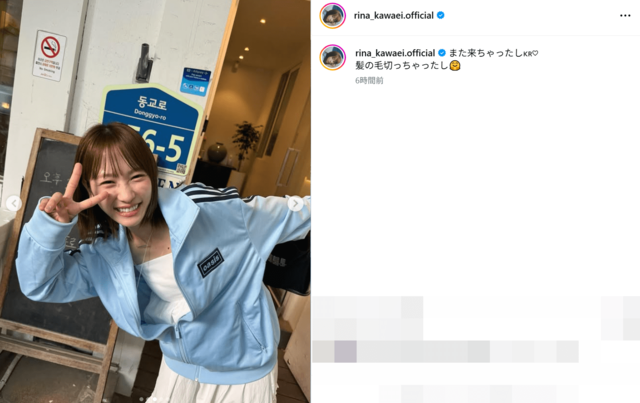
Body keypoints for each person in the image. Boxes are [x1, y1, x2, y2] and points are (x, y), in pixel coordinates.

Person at [15, 122, 311, 403]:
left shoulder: (210, 211)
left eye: (136, 176)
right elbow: (41, 285)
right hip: (178, 369)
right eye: (108, 182)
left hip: (245, 373)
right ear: (89, 189)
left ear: (151, 173)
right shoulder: (104, 252)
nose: (126, 195)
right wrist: (50, 228)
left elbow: (302, 214)